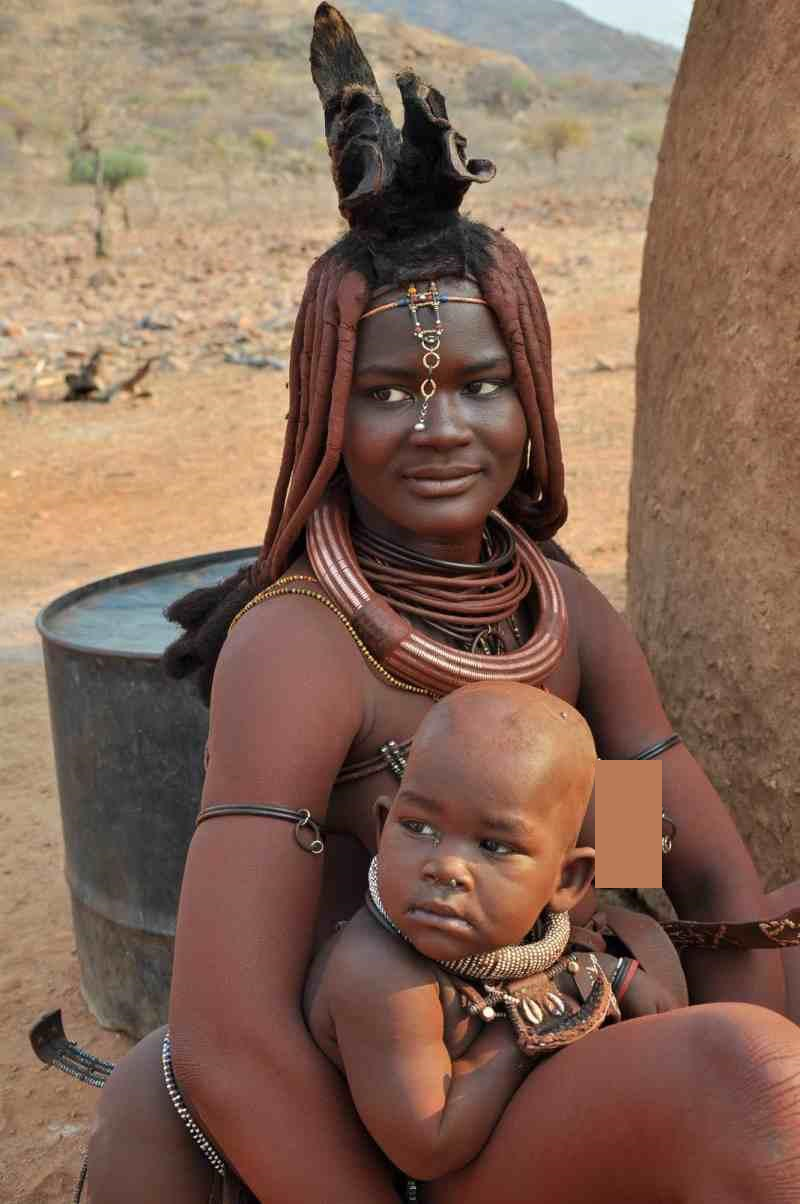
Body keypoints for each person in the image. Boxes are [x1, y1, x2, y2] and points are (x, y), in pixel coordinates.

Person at [83, 6, 800, 1203]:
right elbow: (227, 1038)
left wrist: (646, 973)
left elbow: (672, 872)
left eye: (478, 386)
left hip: (556, 1026)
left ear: (531, 407)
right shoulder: (303, 644)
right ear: (323, 413)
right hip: (402, 1117)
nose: (435, 430)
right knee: (757, 1089)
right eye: (384, 395)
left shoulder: (560, 615)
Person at [304, 683, 684, 1190]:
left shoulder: (582, 632)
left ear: (569, 878)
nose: (446, 866)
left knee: (648, 945)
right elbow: (427, 1144)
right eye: (416, 827)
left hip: (547, 920)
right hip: (424, 1158)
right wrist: (540, 1020)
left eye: (490, 845)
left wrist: (610, 965)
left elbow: (683, 872)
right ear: (383, 824)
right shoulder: (383, 977)